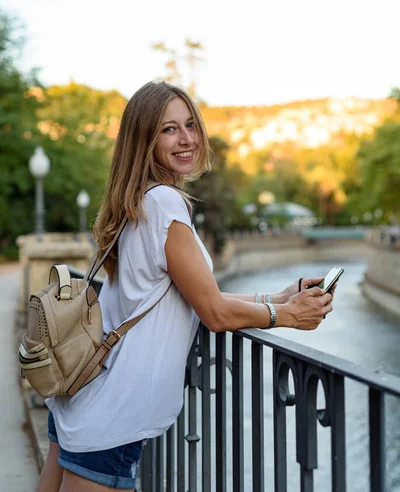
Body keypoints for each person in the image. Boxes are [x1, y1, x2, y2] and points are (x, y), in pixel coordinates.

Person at [37, 81, 333, 492]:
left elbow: (186, 296)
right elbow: (213, 313)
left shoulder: (132, 201)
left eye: (190, 124)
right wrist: (287, 315)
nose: (187, 138)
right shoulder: (165, 204)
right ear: (145, 139)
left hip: (82, 391)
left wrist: (276, 297)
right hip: (115, 410)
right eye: (169, 129)